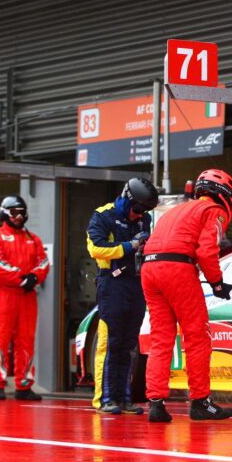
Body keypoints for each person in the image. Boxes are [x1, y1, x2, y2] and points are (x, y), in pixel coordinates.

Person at [142, 168, 232, 422]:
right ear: (224, 194)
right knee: (197, 336)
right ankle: (200, 402)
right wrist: (218, 283)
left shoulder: (174, 211)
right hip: (178, 269)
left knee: (161, 338)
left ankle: (156, 403)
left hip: (150, 269)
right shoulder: (212, 211)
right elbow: (207, 252)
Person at [86, 177, 158, 415]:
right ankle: (105, 398)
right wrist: (129, 246)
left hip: (136, 283)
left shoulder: (144, 219)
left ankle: (124, 398)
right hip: (112, 283)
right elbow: (95, 248)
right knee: (110, 343)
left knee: (129, 345)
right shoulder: (103, 215)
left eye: (145, 211)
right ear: (128, 201)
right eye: (138, 209)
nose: (141, 215)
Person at [0, 195, 50, 400]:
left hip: (27, 296)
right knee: (0, 338)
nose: (18, 217)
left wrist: (33, 277)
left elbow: (44, 262)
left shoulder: (34, 239)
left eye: (21, 212)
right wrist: (22, 278)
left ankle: (23, 385)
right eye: (14, 212)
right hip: (3, 293)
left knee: (26, 340)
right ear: (4, 213)